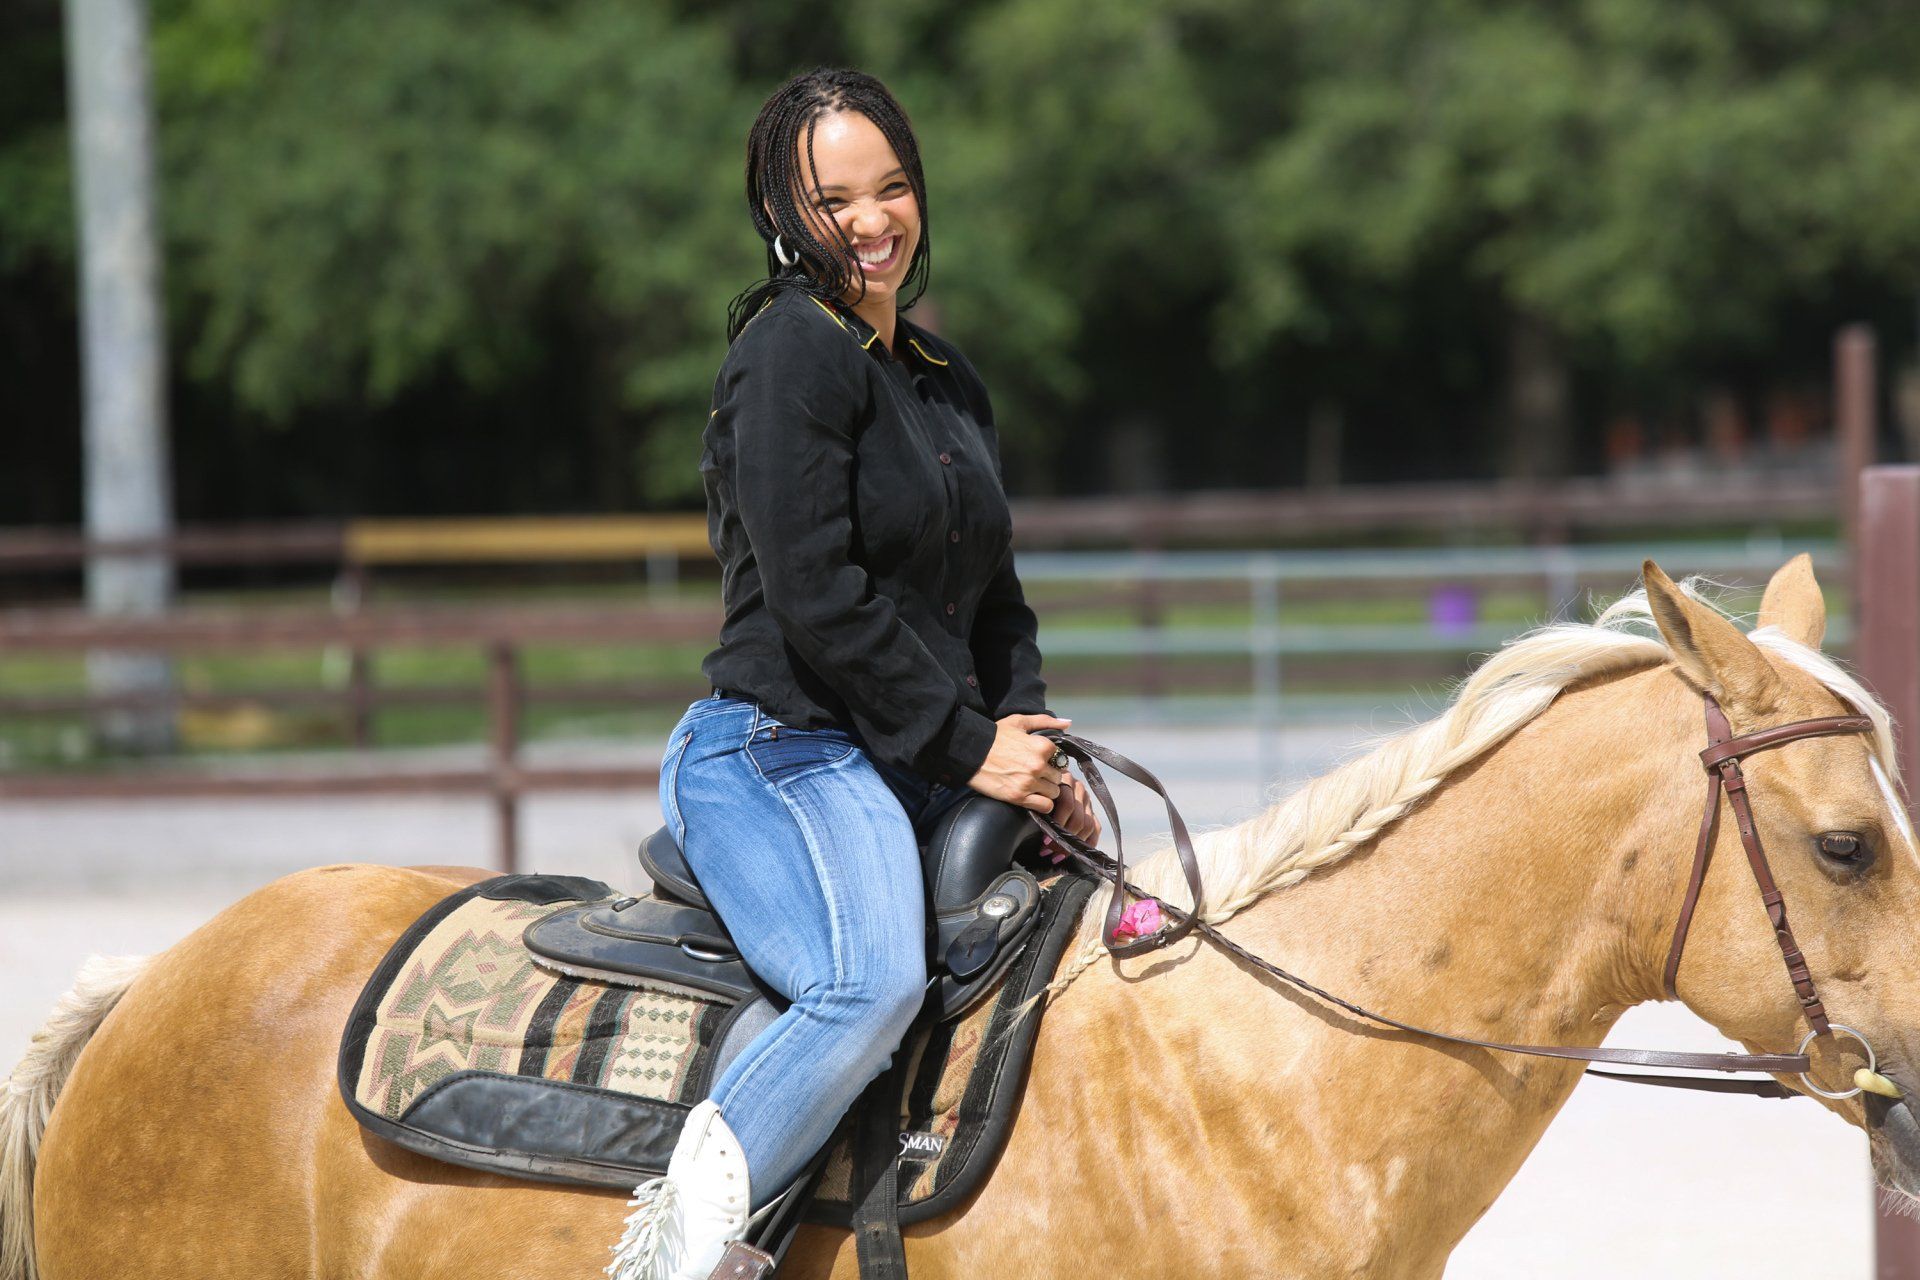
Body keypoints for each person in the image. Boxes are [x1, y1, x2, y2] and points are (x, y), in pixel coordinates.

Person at [607, 68, 1102, 1280]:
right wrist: (966, 741)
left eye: (892, 188)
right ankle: (672, 1257)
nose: (874, 220)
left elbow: (996, 600)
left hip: (914, 750)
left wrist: (1027, 748)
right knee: (864, 983)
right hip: (783, 746)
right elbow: (816, 599)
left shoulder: (941, 376)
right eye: (835, 198)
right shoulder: (788, 356)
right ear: (783, 208)